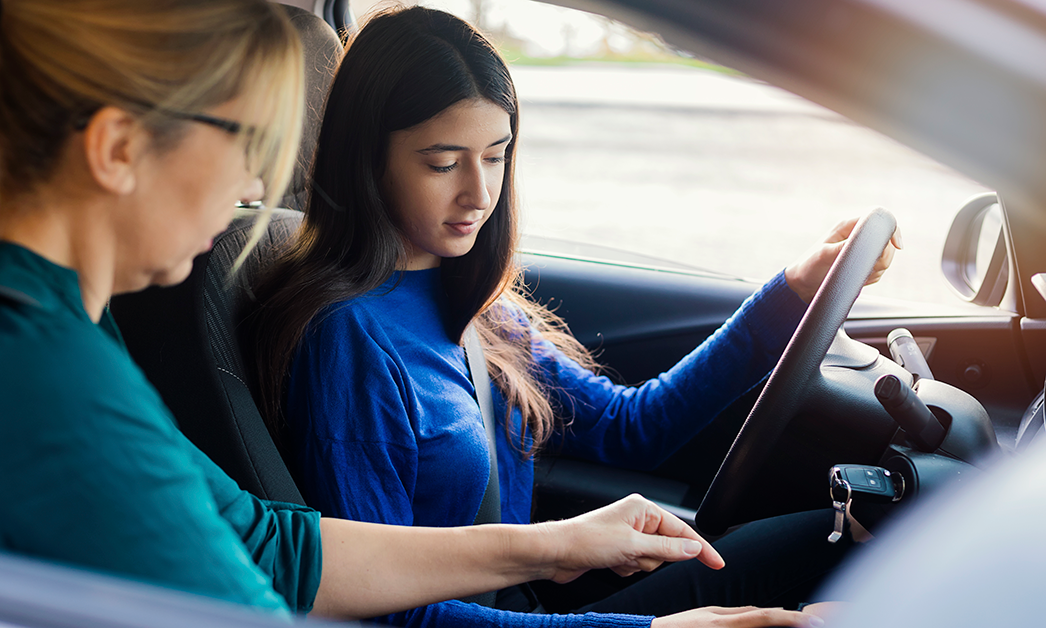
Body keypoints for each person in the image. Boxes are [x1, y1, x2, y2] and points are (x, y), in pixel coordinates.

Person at [0, 0, 739, 622]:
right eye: (250, 146)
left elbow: (273, 546)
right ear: (120, 149)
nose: (257, 189)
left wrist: (554, 546)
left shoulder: (50, 327)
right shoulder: (34, 379)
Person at [249, 6, 901, 628]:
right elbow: (385, 612)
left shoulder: (472, 299)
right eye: (443, 163)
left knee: (835, 533)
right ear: (369, 159)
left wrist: (795, 290)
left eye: (497, 155)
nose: (478, 193)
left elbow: (631, 427)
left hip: (527, 603)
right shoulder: (349, 343)